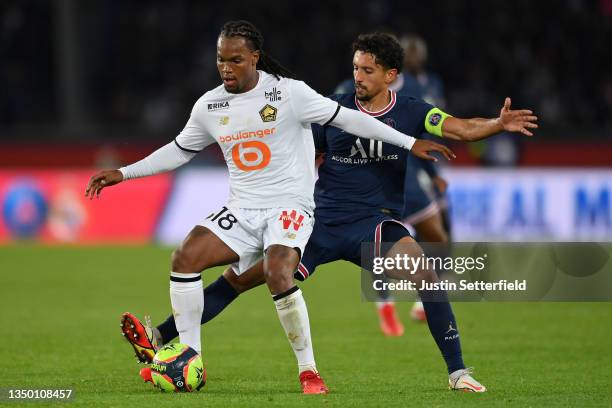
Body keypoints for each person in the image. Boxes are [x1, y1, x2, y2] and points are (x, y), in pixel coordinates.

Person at [121, 32, 537, 393]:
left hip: (372, 223)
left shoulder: (411, 110)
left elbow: (461, 128)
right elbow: (288, 146)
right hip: (315, 224)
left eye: (368, 70)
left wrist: (497, 125)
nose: (358, 76)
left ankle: (458, 371)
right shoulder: (330, 108)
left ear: (390, 74)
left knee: (424, 272)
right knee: (238, 280)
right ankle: (159, 336)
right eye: (356, 68)